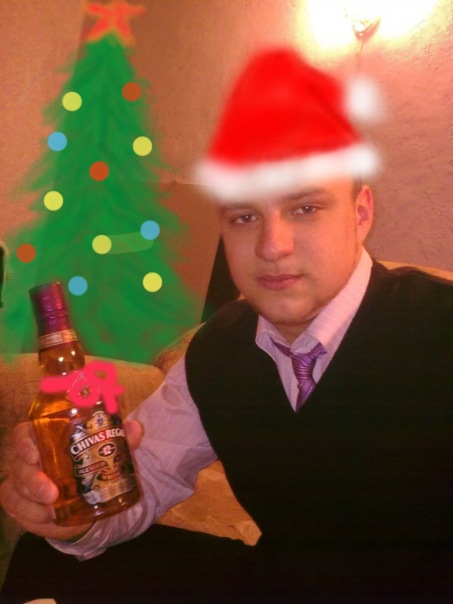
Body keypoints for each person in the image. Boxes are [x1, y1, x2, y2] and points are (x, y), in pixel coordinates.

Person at [1, 48, 452, 603]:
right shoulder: (217, 350)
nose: (272, 246)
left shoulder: (439, 327)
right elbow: (146, 476)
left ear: (361, 213)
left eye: (305, 208)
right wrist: (73, 515)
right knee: (46, 559)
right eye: (245, 216)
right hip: (282, 580)